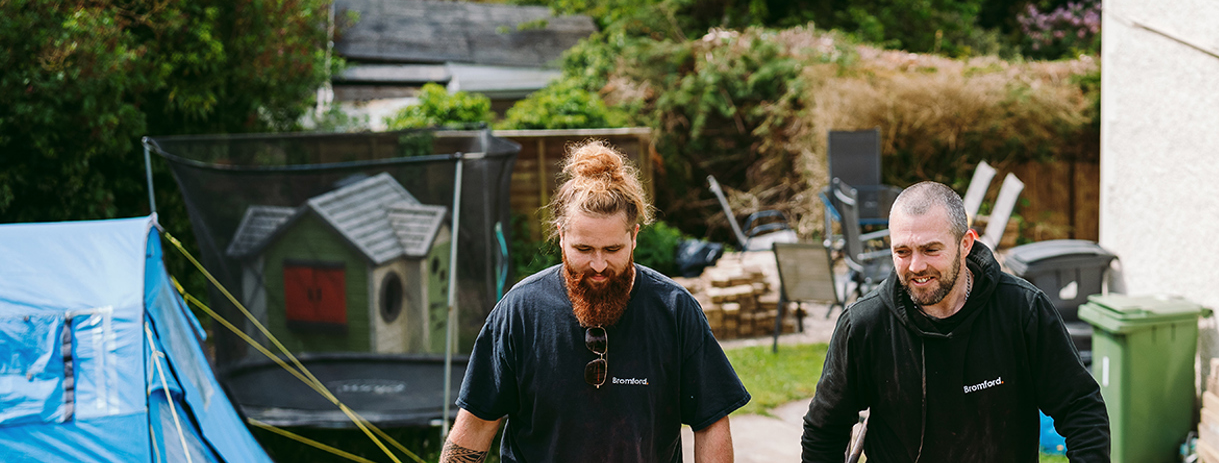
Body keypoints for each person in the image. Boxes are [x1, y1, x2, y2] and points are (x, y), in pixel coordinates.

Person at [442, 140, 750, 463]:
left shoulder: (674, 311)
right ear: (561, 235)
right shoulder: (520, 312)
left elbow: (711, 421)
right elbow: (474, 428)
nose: (599, 265)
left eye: (613, 250)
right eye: (584, 249)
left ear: (634, 237)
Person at [800, 181, 1110, 463]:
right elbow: (824, 431)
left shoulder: (1022, 311)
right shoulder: (866, 325)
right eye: (902, 252)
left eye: (931, 249)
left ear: (965, 244)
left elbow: (1081, 409)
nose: (916, 266)